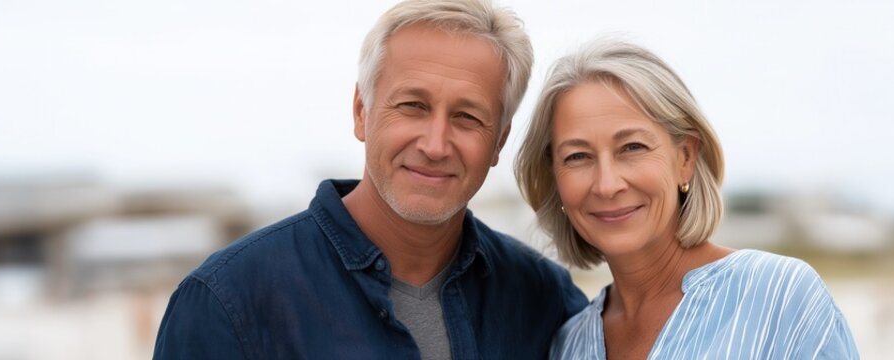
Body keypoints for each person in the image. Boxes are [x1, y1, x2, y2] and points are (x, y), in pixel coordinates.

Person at [153, 1, 588, 358]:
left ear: (499, 142)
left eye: (467, 117)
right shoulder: (227, 302)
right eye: (413, 106)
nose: (435, 144)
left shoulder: (543, 298)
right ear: (361, 111)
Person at [515, 38, 860, 359]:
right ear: (554, 177)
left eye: (632, 147)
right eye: (577, 156)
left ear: (685, 158)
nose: (606, 185)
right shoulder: (568, 344)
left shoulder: (780, 296)